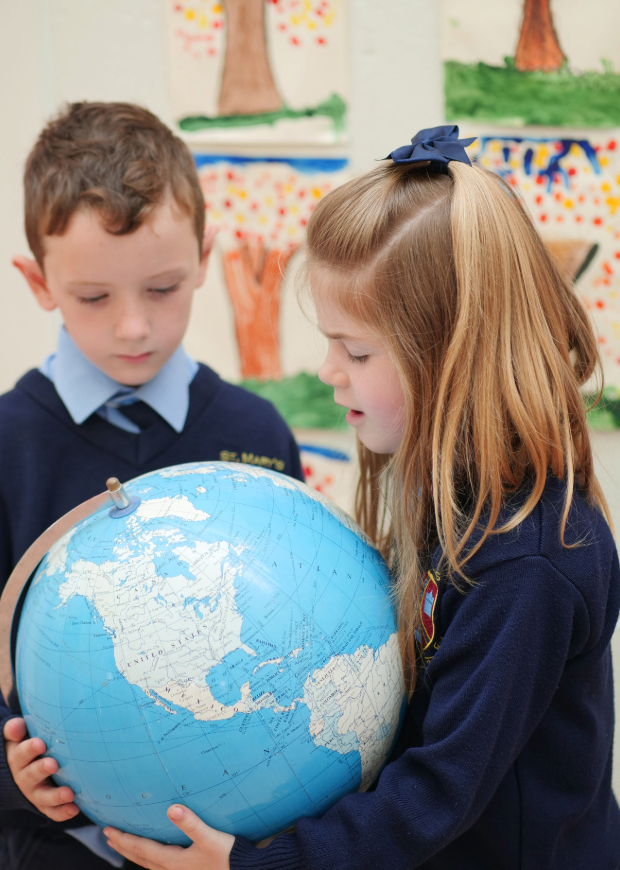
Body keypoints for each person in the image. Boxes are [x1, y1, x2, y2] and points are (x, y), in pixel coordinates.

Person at [103, 126, 620, 870]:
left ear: (449, 359)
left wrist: (249, 866)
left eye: (357, 351)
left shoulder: (526, 564)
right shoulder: (459, 497)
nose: (326, 370)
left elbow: (438, 790)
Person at [0, 101, 303, 870]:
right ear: (37, 281)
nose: (133, 328)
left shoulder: (260, 433)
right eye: (94, 298)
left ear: (204, 257)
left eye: (163, 289)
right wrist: (10, 779)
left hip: (234, 840)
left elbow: (293, 632)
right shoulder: (8, 442)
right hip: (52, 845)